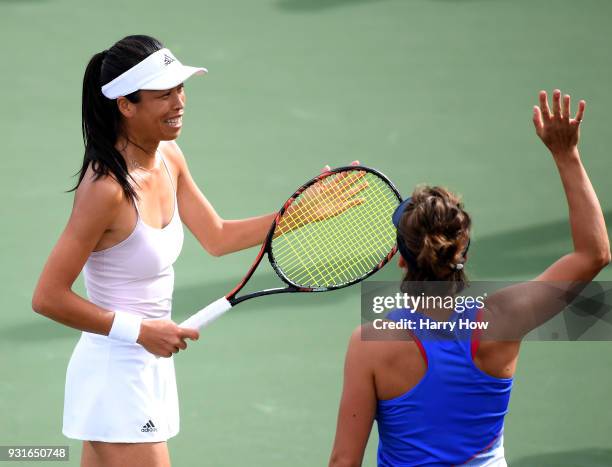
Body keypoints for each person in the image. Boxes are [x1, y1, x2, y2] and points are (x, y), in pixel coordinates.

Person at [31, 34, 354, 467]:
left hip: (145, 369)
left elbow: (217, 236)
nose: (179, 102)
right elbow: (47, 297)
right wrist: (142, 332)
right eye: (163, 94)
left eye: (180, 88)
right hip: (118, 374)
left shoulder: (169, 156)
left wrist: (296, 215)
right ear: (126, 105)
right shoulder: (105, 189)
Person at [328, 89, 610, 466]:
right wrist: (566, 154)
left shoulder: (370, 344)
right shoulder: (506, 318)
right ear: (461, 252)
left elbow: (344, 463)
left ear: (400, 259)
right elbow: (594, 255)